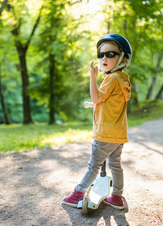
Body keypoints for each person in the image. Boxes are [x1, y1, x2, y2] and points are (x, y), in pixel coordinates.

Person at [62, 33, 132, 210]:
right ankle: (117, 196)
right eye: (101, 54)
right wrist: (95, 102)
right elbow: (107, 101)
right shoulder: (123, 79)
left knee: (94, 164)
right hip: (118, 133)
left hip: (105, 133)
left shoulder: (112, 78)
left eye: (110, 54)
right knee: (116, 165)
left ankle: (78, 193)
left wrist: (92, 78)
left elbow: (97, 97)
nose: (104, 58)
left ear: (122, 58)